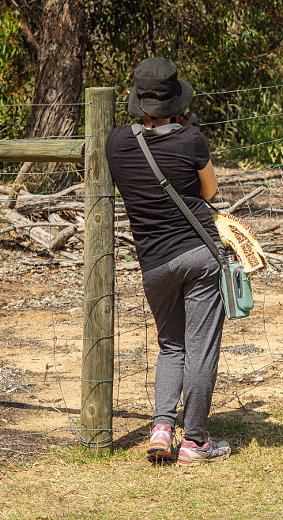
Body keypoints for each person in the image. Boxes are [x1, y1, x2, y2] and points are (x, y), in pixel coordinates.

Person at [105, 57, 230, 466]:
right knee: (201, 346)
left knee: (170, 344)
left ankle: (161, 427)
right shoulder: (191, 140)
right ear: (177, 103)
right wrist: (186, 128)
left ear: (139, 102)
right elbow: (209, 192)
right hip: (198, 253)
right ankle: (195, 441)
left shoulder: (116, 143)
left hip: (153, 262)